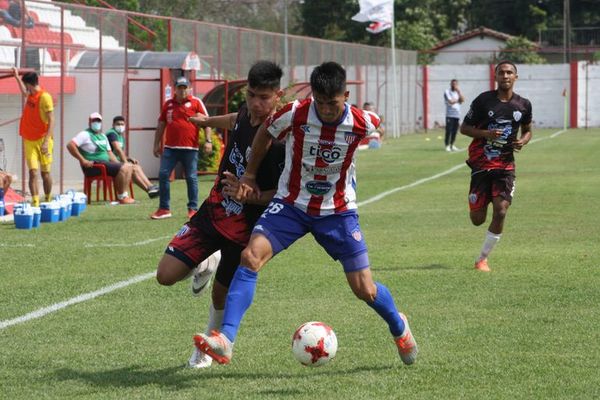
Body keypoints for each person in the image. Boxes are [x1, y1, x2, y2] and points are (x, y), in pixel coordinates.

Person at [194, 61, 418, 366]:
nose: (325, 109)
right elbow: (264, 134)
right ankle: (226, 339)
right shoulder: (295, 113)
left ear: (346, 95)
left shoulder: (363, 122)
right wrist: (249, 175)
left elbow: (374, 124)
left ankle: (399, 326)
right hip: (291, 205)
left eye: (333, 103)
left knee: (364, 289)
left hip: (337, 212)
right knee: (251, 257)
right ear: (312, 95)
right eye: (320, 102)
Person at [155, 60, 286, 369]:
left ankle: (206, 350)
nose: (256, 103)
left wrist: (253, 195)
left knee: (220, 295)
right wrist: (205, 122)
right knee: (165, 276)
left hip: (245, 228)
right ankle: (205, 261)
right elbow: (234, 120)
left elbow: (284, 195)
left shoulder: (282, 141)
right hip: (212, 212)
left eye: (264, 97)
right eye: (252, 95)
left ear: (277, 96)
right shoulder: (245, 114)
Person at [459, 60, 532, 272]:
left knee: (501, 211)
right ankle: (485, 197)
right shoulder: (484, 101)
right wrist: (486, 134)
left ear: (515, 77)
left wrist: (524, 140)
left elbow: (527, 129)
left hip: (505, 165)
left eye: (510, 72)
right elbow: (465, 128)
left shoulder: (523, 105)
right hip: (481, 164)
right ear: (496, 76)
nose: (506, 76)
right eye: (502, 72)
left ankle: (482, 259)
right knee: (477, 219)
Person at [151, 76, 212, 220]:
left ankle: (193, 209)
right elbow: (161, 125)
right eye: (180, 87)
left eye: (185, 87)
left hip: (190, 149)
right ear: (175, 89)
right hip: (170, 148)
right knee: (164, 174)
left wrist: (208, 141)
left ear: (189, 88)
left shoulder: (196, 102)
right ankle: (164, 209)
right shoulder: (168, 104)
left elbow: (207, 122)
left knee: (191, 177)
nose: (182, 90)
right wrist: (156, 144)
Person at [66, 112, 135, 205]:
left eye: (98, 121)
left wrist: (119, 164)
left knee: (128, 166)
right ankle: (122, 197)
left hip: (105, 164)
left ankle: (123, 195)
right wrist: (83, 160)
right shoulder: (84, 134)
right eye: (94, 121)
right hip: (94, 166)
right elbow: (70, 145)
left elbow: (110, 154)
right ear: (89, 122)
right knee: (125, 167)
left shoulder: (103, 136)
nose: (96, 123)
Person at [12, 68, 54, 207]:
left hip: (43, 140)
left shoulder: (45, 97)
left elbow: (52, 121)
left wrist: (46, 142)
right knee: (33, 172)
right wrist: (17, 78)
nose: (26, 88)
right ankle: (35, 203)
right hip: (29, 140)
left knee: (45, 173)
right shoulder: (30, 94)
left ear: (29, 84)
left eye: (26, 85)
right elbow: (24, 93)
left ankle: (47, 200)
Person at [105, 115, 159, 198]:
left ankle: (150, 188)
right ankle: (149, 188)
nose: (120, 126)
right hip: (110, 162)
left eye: (122, 124)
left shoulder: (120, 136)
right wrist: (126, 163)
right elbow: (117, 149)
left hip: (117, 161)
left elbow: (118, 153)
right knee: (131, 168)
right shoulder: (112, 134)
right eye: (118, 124)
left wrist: (128, 158)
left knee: (136, 167)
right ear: (113, 125)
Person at [444, 79, 464, 152]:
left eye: (455, 84)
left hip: (457, 114)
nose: (454, 85)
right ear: (450, 84)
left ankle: (452, 145)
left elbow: (462, 100)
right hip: (449, 114)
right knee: (449, 130)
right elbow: (450, 101)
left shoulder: (457, 92)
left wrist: (459, 92)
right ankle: (447, 145)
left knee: (455, 131)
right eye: (453, 84)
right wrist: (458, 100)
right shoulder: (447, 91)